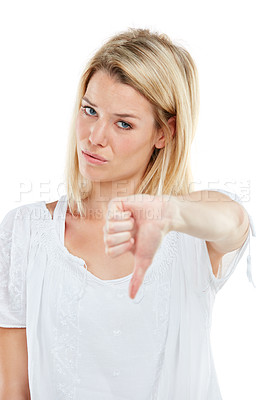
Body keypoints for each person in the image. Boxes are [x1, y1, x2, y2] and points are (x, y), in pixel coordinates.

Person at [0, 27, 256, 399]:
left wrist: (167, 212)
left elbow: (234, 222)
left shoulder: (190, 232)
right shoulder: (25, 233)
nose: (94, 136)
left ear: (163, 134)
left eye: (123, 123)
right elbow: (13, 388)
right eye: (90, 111)